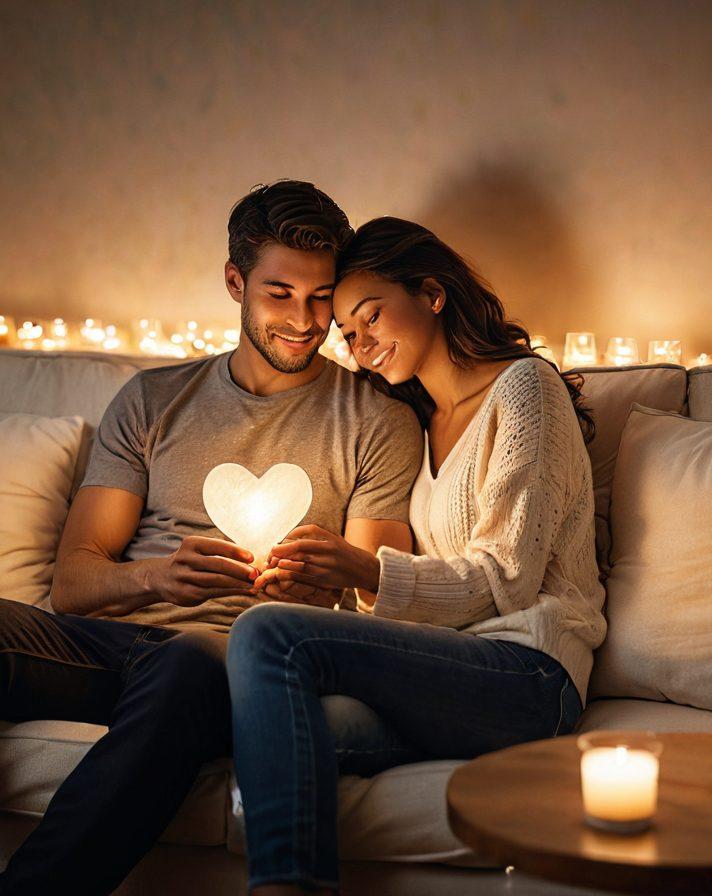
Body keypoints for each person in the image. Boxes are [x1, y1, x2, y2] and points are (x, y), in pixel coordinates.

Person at [0, 183, 423, 896]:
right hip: (121, 646)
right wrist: (157, 578)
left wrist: (319, 584)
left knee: (188, 665)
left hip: (241, 668)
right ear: (235, 283)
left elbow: (371, 593)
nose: (304, 320)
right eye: (279, 293)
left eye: (321, 299)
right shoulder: (153, 400)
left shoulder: (376, 418)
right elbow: (73, 582)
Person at [226, 216, 607, 895]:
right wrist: (327, 583)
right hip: (450, 677)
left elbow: (508, 580)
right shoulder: (417, 420)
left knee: (266, 636)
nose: (362, 345)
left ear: (432, 293)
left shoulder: (523, 389)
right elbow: (424, 594)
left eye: (371, 317)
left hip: (532, 675)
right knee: (279, 727)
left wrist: (365, 570)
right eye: (348, 333)